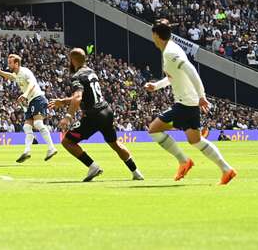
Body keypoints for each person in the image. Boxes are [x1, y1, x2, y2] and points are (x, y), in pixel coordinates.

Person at [144, 19, 237, 184]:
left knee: (154, 129)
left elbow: (191, 70)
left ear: (157, 35)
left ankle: (183, 161)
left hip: (184, 104)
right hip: (188, 102)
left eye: (153, 34)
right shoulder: (170, 49)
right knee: (195, 140)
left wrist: (202, 95)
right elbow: (173, 76)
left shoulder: (170, 52)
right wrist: (156, 86)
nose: (152, 37)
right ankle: (226, 169)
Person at [49, 48, 144, 182]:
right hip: (106, 111)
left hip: (93, 116)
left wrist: (68, 116)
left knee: (67, 141)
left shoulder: (77, 76)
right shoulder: (91, 72)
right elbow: (88, 95)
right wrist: (64, 101)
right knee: (115, 143)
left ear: (72, 60)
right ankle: (136, 172)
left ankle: (93, 166)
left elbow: (78, 97)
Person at [0, 54, 57, 162]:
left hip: (38, 98)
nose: (8, 64)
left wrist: (25, 94)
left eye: (10, 62)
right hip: (31, 101)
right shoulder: (16, 74)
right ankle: (27, 151)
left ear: (16, 64)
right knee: (26, 127)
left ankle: (51, 148)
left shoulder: (25, 72)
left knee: (38, 124)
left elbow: (32, 85)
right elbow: (10, 76)